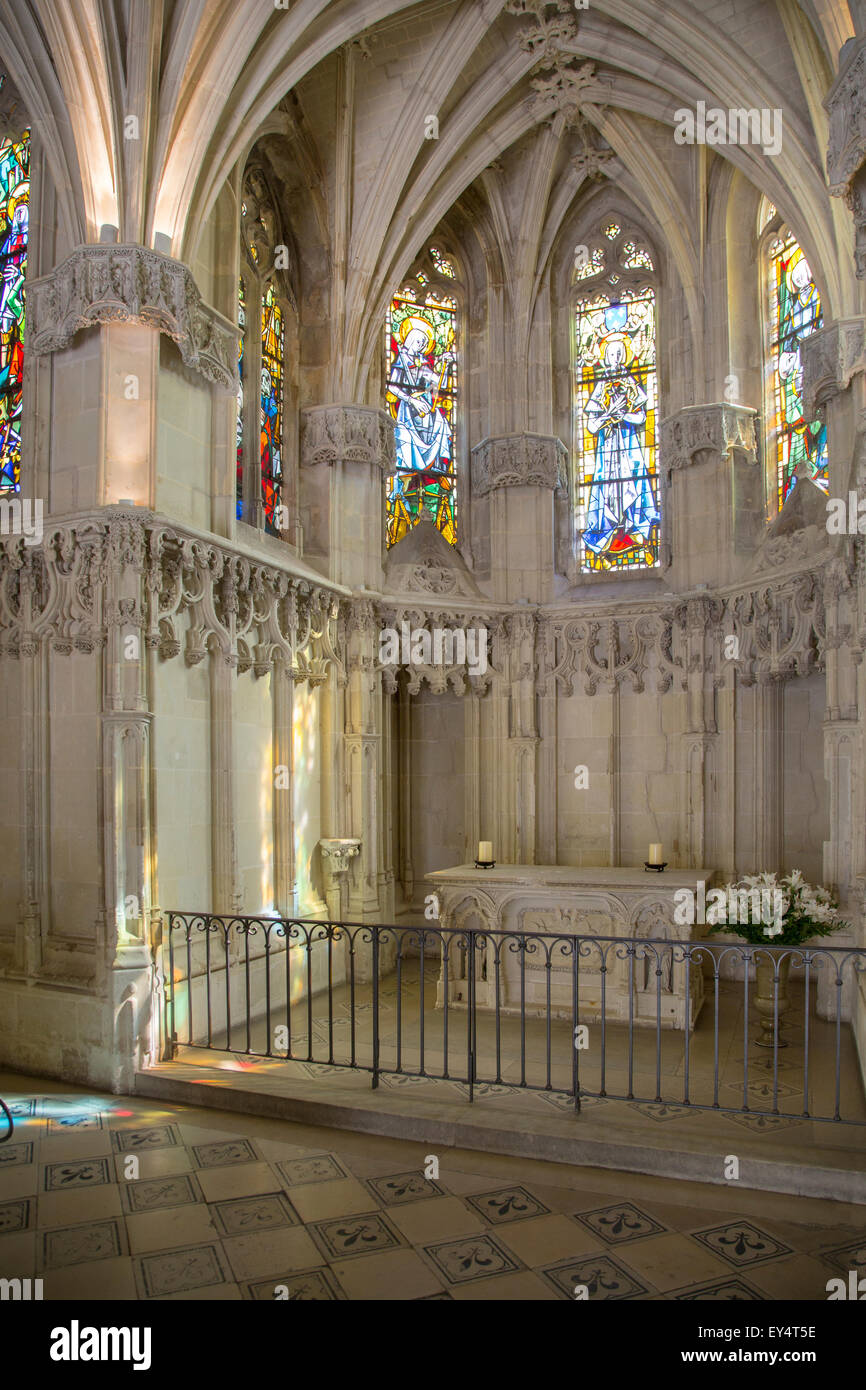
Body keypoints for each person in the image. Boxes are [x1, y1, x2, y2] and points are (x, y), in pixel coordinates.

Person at [583, 330, 659, 565]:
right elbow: (592, 426)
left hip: (628, 444)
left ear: (624, 355)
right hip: (608, 447)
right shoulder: (601, 386)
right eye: (611, 354)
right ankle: (605, 545)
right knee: (607, 493)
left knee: (632, 486)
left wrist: (624, 413)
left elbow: (641, 418)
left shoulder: (631, 384)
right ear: (605, 357)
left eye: (619, 353)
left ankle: (639, 538)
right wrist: (608, 415)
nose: (615, 358)